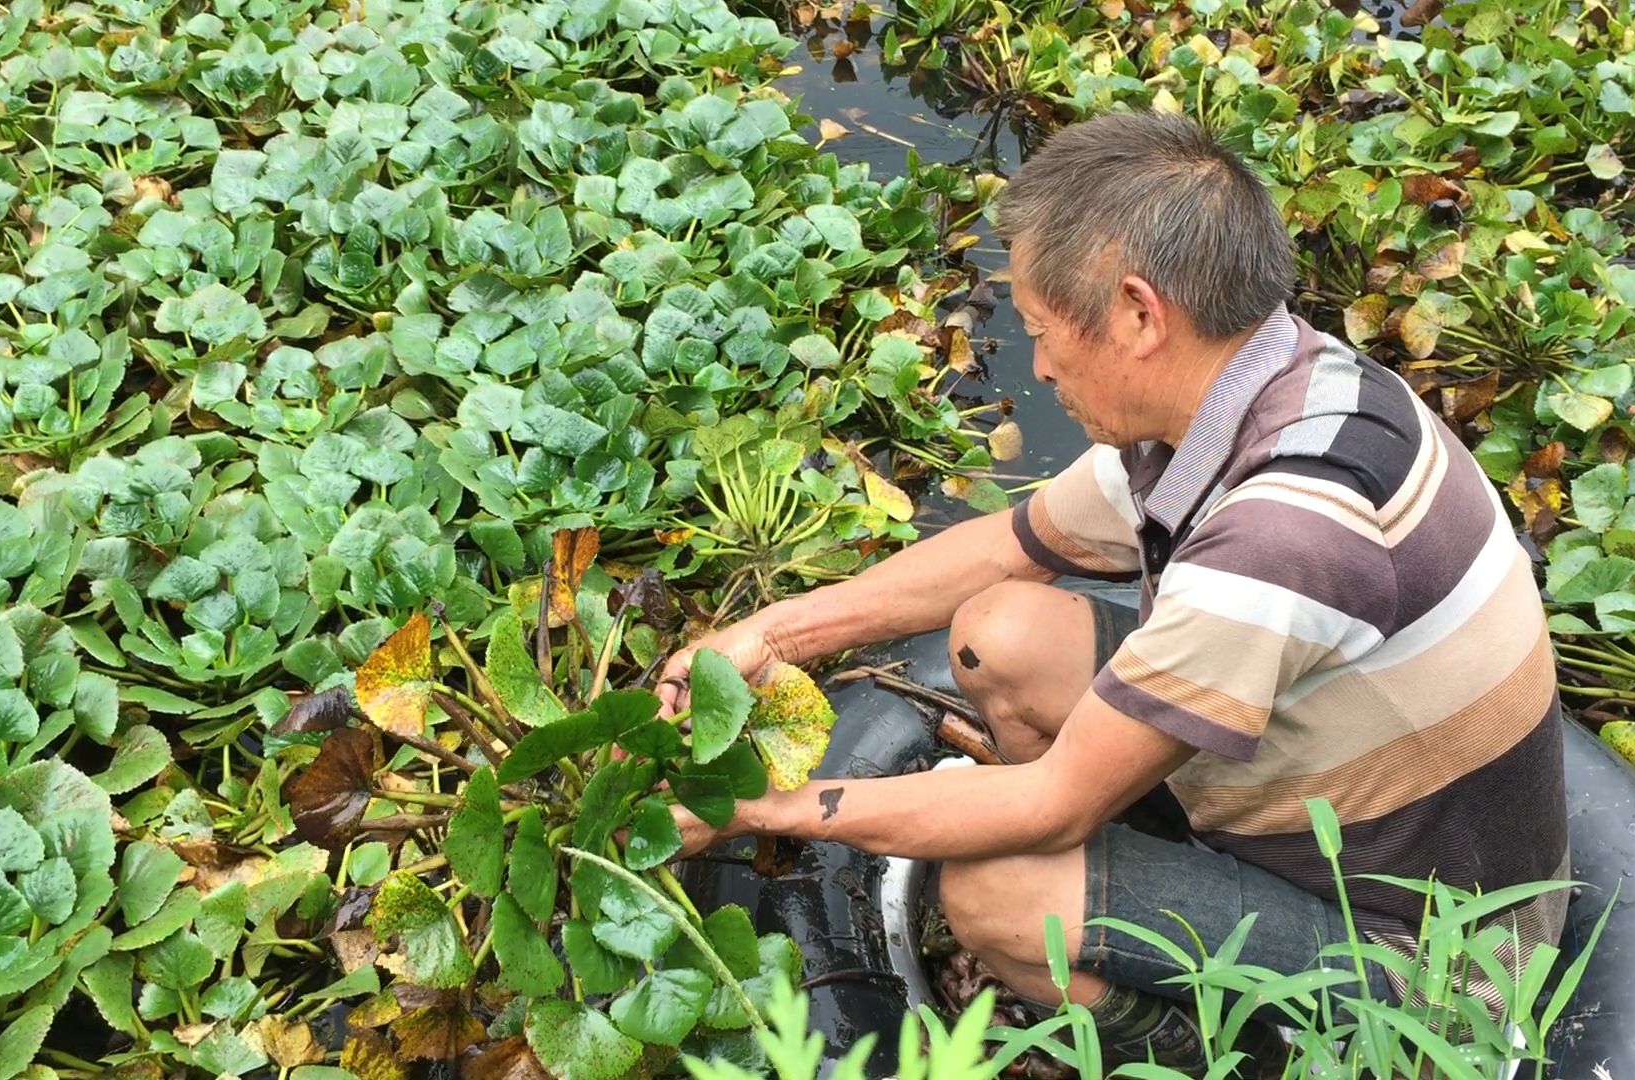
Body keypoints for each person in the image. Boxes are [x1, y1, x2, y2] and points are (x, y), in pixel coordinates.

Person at [654, 110, 1568, 1074]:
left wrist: (758, 807)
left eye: (1045, 332)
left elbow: (1048, 805)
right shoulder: (1267, 382)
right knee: (1000, 632)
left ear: (1139, 313)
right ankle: (1128, 918)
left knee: (995, 889)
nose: (1039, 366)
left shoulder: (1278, 536)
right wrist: (771, 634)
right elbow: (1012, 546)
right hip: (1330, 810)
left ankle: (1234, 1052)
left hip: (1432, 959)